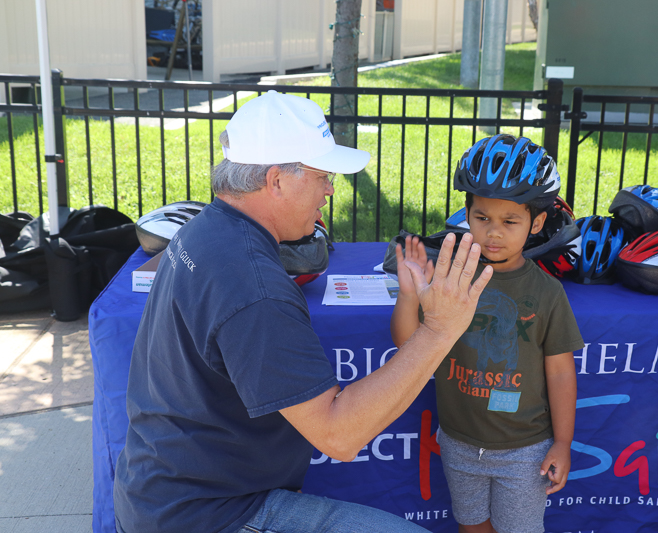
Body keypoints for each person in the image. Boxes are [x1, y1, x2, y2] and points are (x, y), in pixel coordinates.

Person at [112, 90, 494, 533]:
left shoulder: (206, 228)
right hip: (208, 515)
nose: (330, 190)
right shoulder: (255, 287)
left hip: (161, 495)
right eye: (322, 175)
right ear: (276, 181)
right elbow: (340, 435)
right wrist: (440, 330)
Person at [390, 134, 584, 533]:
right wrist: (410, 295)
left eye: (510, 221)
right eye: (482, 219)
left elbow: (562, 373)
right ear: (467, 213)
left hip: (525, 451)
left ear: (538, 221)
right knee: (472, 527)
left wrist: (562, 443)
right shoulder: (450, 280)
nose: (494, 233)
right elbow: (408, 345)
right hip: (459, 443)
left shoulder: (547, 293)